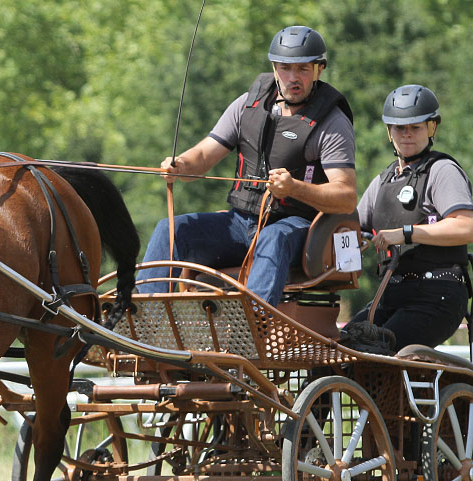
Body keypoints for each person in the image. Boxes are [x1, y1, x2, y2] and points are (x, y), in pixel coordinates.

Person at [136, 26, 357, 306]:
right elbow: (203, 156)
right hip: (240, 222)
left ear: (319, 70)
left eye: (303, 69)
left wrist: (294, 188)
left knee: (273, 237)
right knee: (172, 229)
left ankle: (253, 328)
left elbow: (346, 197)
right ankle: (144, 319)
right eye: (285, 68)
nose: (293, 78)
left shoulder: (332, 122)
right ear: (274, 68)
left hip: (296, 226)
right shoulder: (247, 105)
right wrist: (180, 165)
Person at [346, 84, 473, 349]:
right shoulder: (383, 180)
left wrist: (406, 233)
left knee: (374, 351)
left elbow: (466, 226)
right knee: (335, 349)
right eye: (399, 128)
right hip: (390, 294)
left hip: (437, 295)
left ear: (431, 128)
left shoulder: (442, 171)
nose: (406, 135)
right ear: (389, 132)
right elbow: (349, 227)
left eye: (415, 127)